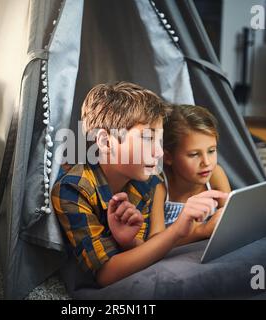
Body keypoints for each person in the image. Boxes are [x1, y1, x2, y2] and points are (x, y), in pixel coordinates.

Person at [51, 83, 227, 287]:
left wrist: (130, 242)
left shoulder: (148, 182)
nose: (159, 152)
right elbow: (106, 274)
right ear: (106, 142)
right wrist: (178, 229)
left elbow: (144, 249)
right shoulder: (72, 190)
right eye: (147, 138)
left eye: (159, 140)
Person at [148, 104, 266, 245]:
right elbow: (153, 242)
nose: (206, 162)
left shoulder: (215, 174)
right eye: (194, 154)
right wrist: (201, 231)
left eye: (211, 151)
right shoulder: (160, 183)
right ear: (168, 157)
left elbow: (234, 222)